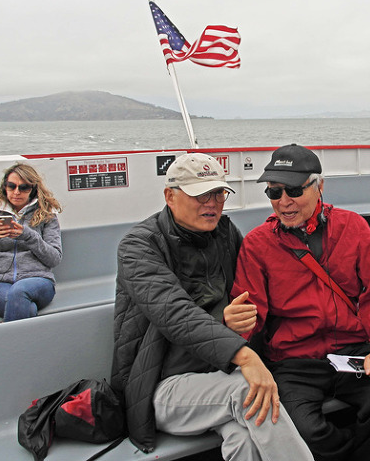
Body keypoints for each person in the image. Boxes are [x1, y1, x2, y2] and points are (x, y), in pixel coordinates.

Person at [110, 153, 313, 461]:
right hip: (161, 387)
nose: (213, 203)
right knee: (250, 391)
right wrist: (244, 354)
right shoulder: (139, 247)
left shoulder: (225, 234)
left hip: (219, 374)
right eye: (200, 195)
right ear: (170, 196)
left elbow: (253, 292)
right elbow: (175, 313)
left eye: (218, 193)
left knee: (245, 440)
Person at [228, 144, 370, 461]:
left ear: (319, 186)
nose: (284, 201)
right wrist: (232, 326)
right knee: (303, 430)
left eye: (294, 190)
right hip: (293, 361)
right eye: (274, 192)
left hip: (353, 352)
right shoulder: (257, 244)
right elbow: (250, 315)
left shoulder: (352, 227)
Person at [0, 163, 62, 321]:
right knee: (27, 308)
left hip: (38, 280)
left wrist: (28, 236)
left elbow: (54, 258)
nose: (16, 192)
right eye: (11, 186)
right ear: (5, 186)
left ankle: (9, 338)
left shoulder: (46, 214)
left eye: (24, 187)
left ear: (33, 189)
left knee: (19, 291)